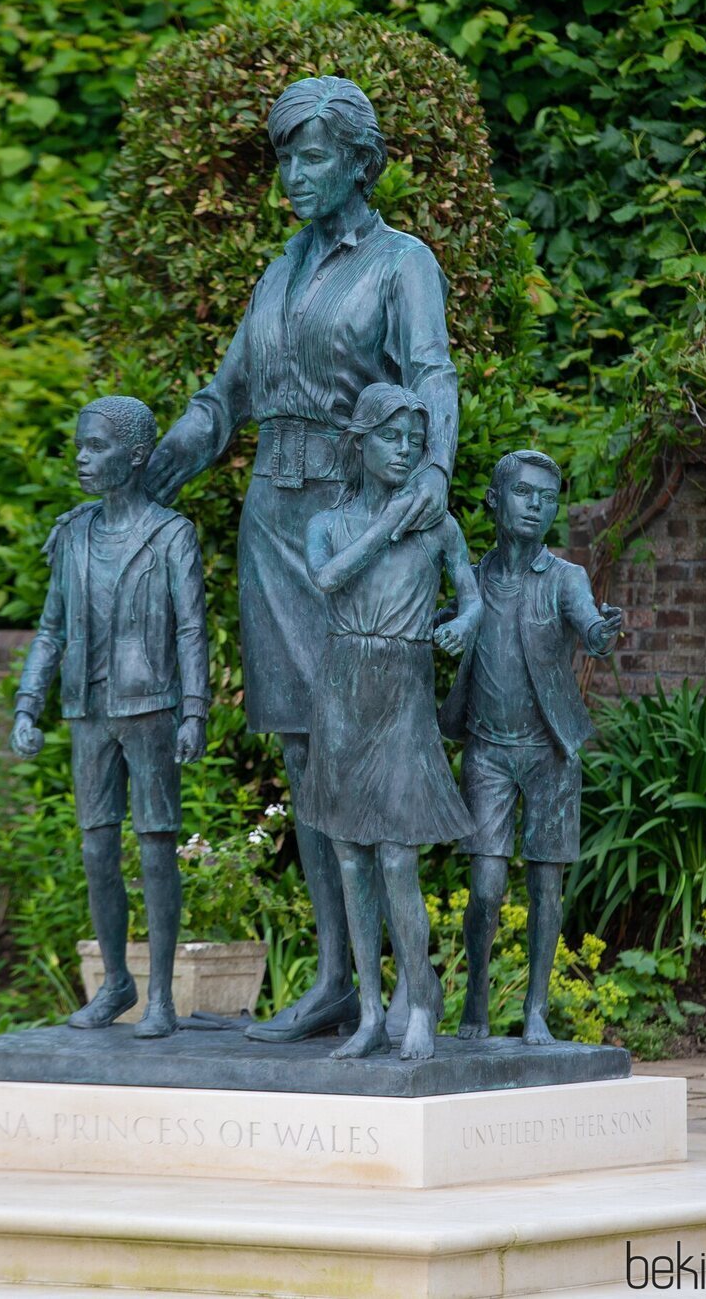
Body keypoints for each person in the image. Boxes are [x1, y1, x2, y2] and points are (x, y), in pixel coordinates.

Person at [144, 76, 459, 1043]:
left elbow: (432, 372)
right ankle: (335, 979)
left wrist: (435, 468)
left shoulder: (402, 263)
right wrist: (160, 465)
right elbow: (226, 392)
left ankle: (408, 991)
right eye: (284, 156)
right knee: (299, 746)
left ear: (361, 161)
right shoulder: (277, 273)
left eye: (310, 154)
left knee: (364, 746)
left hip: (352, 520)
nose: (291, 174)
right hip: (272, 519)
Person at [9, 396, 209, 1039]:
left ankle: (159, 995)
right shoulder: (72, 535)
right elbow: (49, 630)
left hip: (149, 705)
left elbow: (191, 630)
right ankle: (115, 983)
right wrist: (27, 703)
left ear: (137, 455)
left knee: (155, 846)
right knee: (98, 847)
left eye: (96, 447)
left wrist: (195, 710)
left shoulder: (171, 534)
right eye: (80, 447)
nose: (83, 459)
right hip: (88, 708)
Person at [300, 383, 482, 1061]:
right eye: (392, 437)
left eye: (415, 439)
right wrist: (386, 523)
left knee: (399, 855)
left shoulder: (439, 524)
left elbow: (471, 594)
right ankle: (370, 1013)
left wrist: (463, 622)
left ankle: (420, 1000)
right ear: (361, 441)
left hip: (402, 685)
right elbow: (327, 579)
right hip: (344, 685)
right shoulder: (327, 522)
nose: (406, 450)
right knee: (350, 855)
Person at [438, 450, 622, 1045]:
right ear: (495, 499)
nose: (536, 505)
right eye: (524, 492)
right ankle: (476, 1000)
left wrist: (600, 632)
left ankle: (537, 1008)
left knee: (546, 884)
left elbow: (588, 623)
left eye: (547, 497)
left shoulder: (567, 578)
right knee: (486, 888)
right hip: (488, 750)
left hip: (550, 752)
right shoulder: (472, 576)